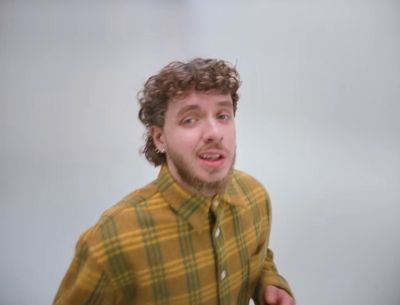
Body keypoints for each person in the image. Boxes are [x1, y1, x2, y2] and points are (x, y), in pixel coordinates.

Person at [53, 58, 295, 305]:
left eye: (223, 115)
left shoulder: (255, 197)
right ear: (159, 138)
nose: (214, 132)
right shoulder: (112, 242)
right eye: (190, 119)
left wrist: (269, 282)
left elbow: (260, 257)